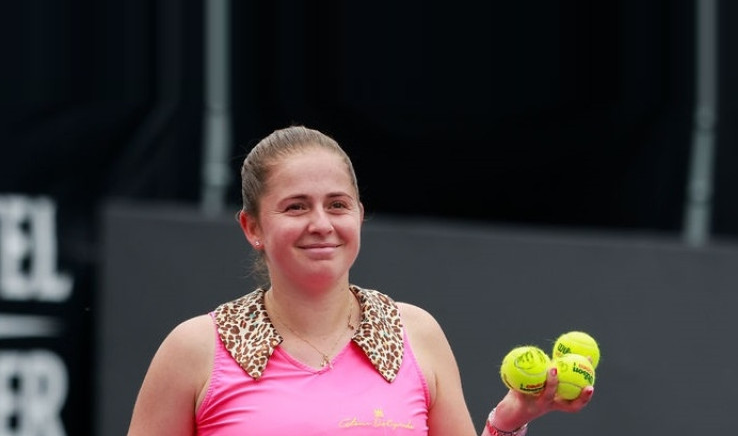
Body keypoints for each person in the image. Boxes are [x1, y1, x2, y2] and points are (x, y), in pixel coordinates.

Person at [127, 125, 593, 435]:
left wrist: (509, 420)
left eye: (337, 205)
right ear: (252, 228)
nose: (321, 224)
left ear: (359, 216)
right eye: (296, 207)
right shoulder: (194, 351)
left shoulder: (417, 334)